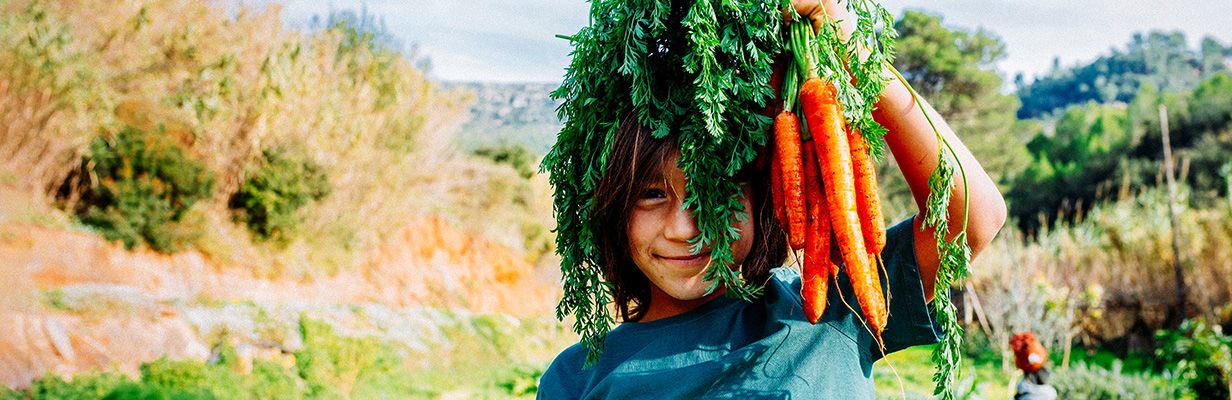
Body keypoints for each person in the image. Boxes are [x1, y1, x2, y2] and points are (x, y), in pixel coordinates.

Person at [538, 0, 1008, 398]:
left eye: (715, 190)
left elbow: (972, 217)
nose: (683, 227)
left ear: (761, 199)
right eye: (652, 195)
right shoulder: (575, 377)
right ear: (613, 208)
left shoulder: (830, 309)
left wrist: (846, 43)